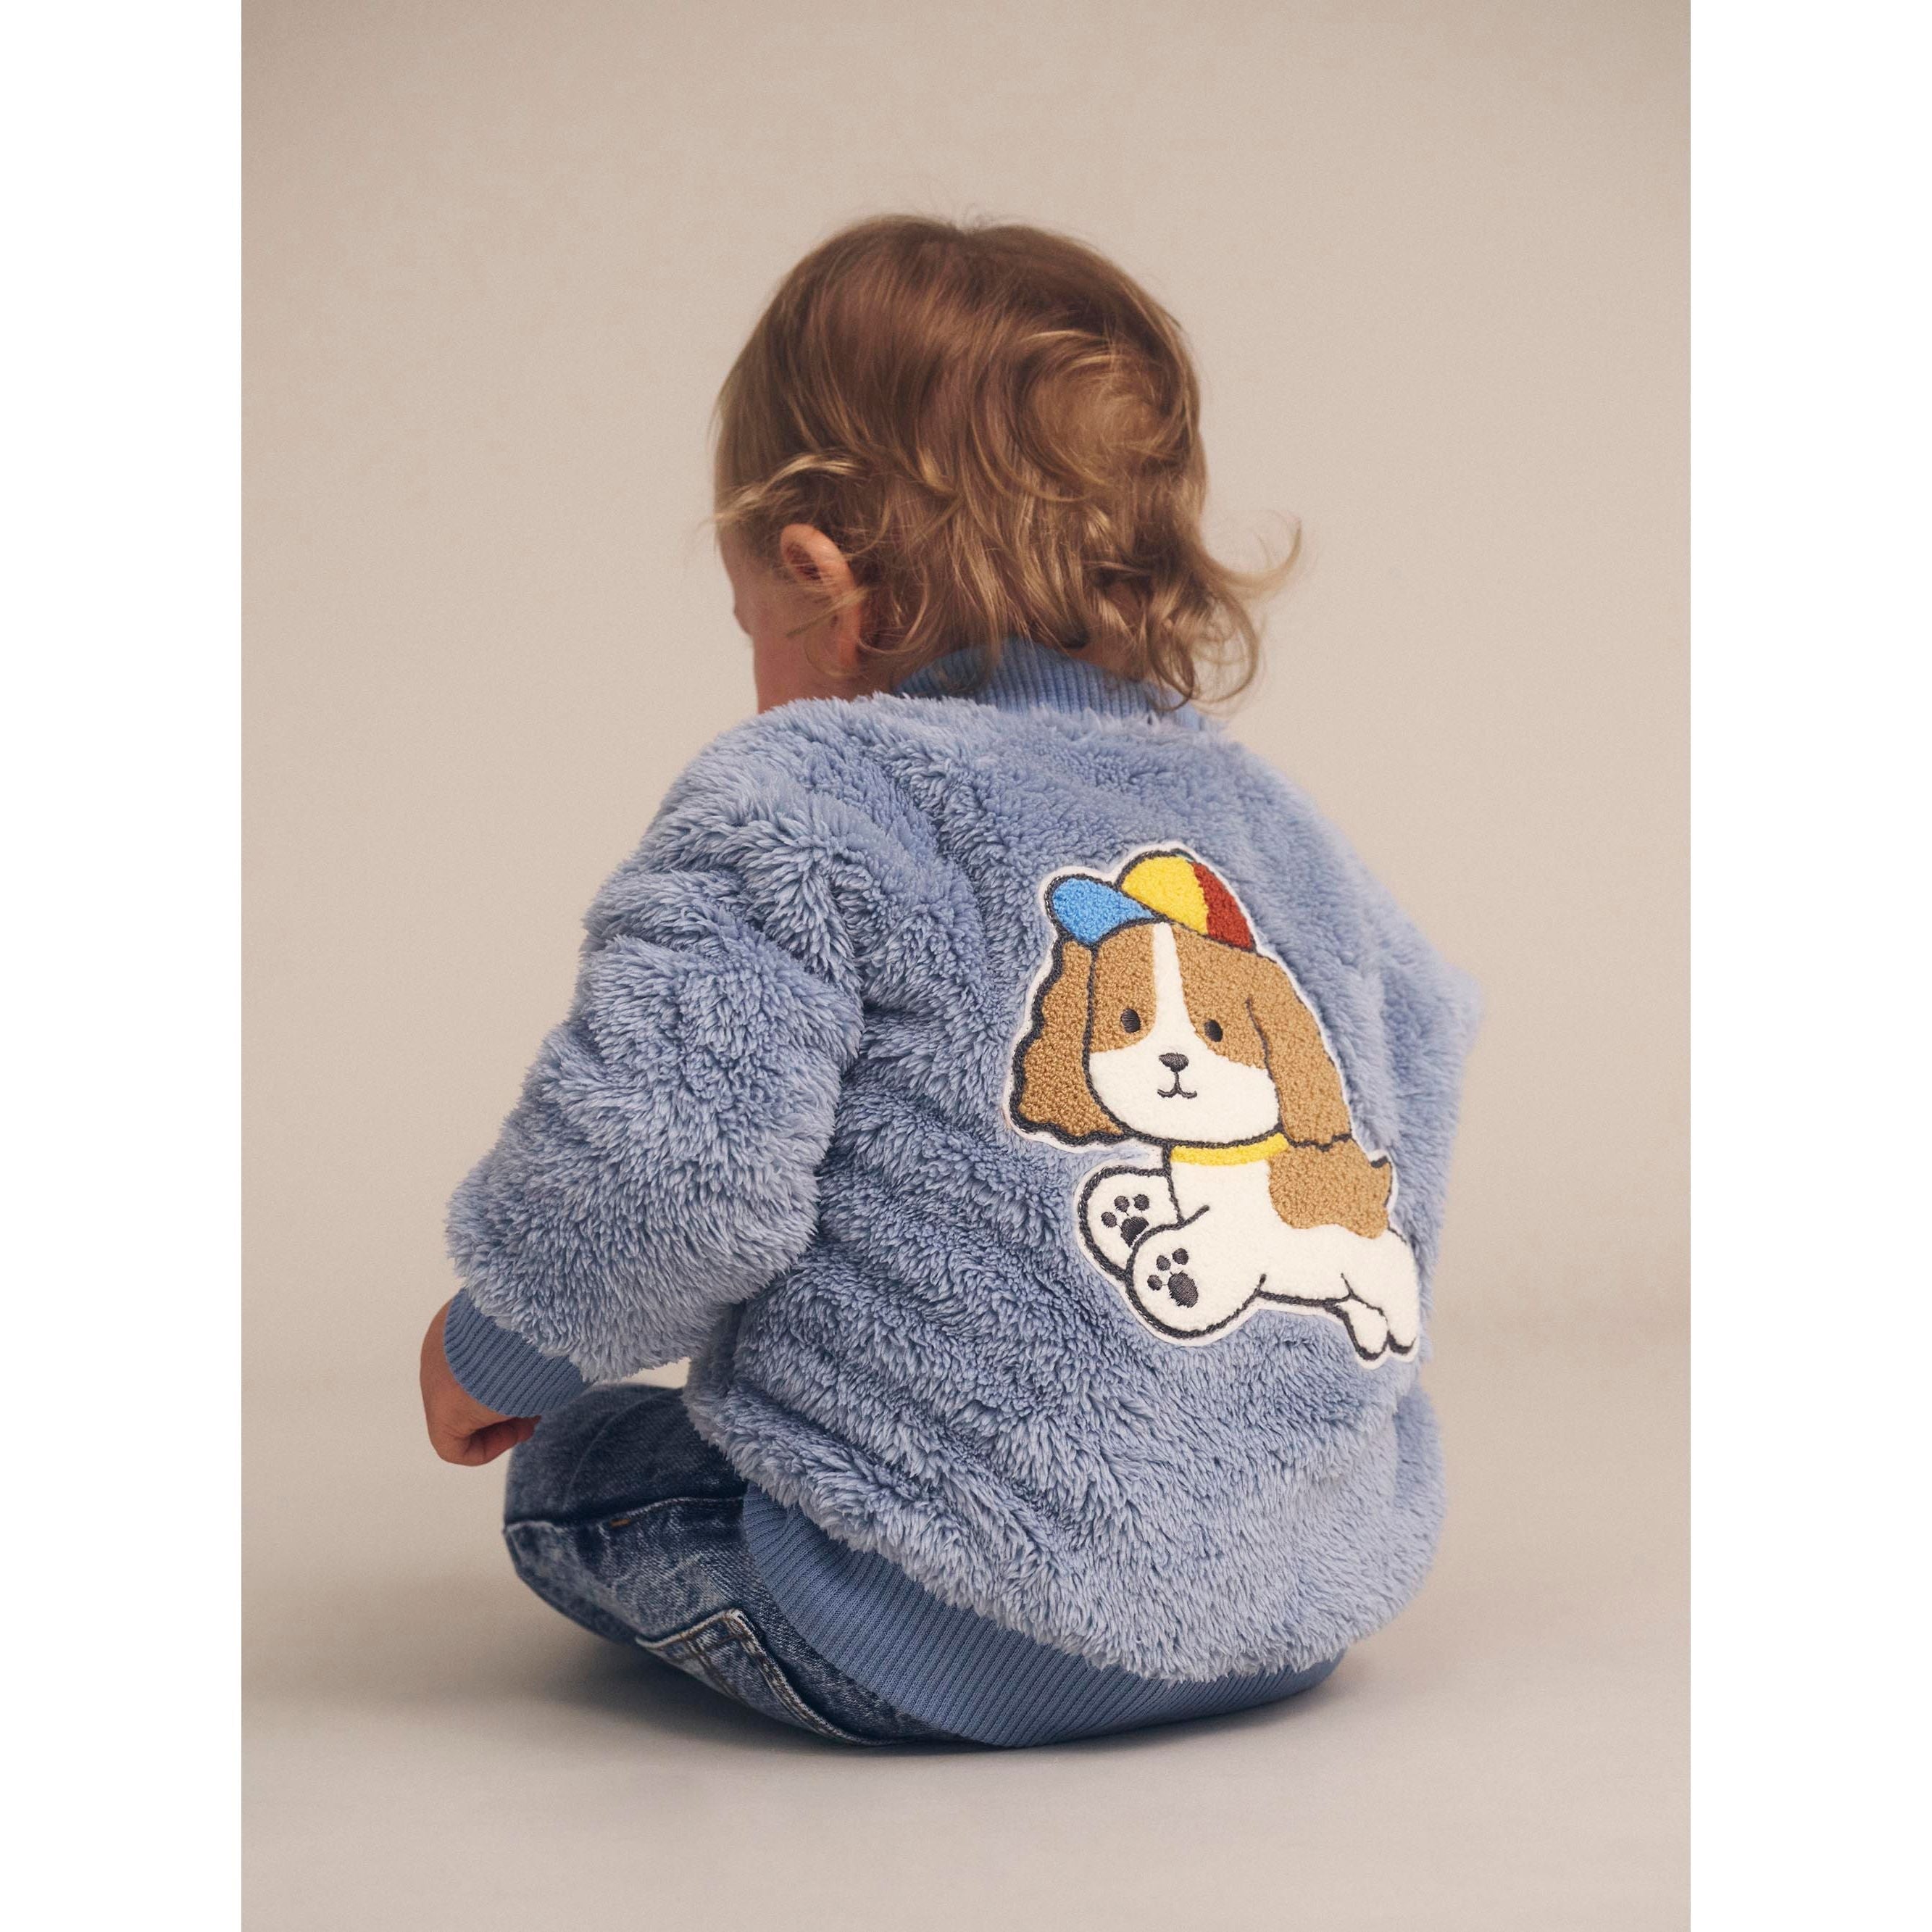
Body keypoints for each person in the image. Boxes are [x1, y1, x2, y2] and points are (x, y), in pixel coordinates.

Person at [418, 215, 1478, 1748]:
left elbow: (661, 1171)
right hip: (1292, 1603)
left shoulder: (807, 792)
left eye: (748, 624)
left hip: (917, 1617)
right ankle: (1222, 1543)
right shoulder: (1273, 823)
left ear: (817, 579)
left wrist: (499, 1345)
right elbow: (1415, 1072)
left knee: (579, 1470)